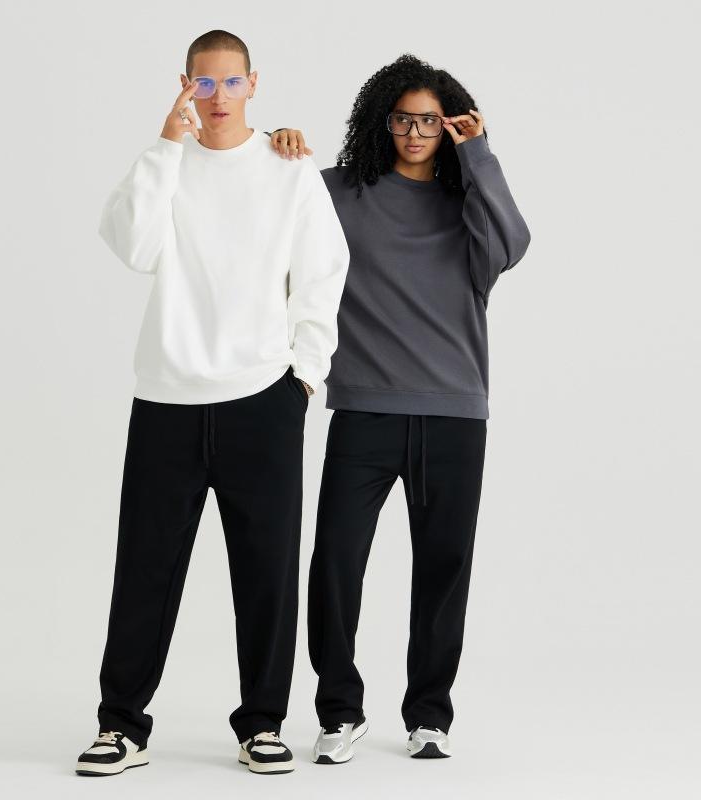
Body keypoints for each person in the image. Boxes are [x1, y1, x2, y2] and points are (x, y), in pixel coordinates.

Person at [75, 29, 349, 777]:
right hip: (166, 395)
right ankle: (120, 726)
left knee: (267, 572)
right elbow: (134, 248)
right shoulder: (166, 163)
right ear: (185, 84)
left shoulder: (288, 168)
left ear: (254, 84)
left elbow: (323, 272)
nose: (218, 96)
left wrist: (303, 377)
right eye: (204, 82)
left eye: (231, 82)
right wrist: (166, 145)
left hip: (262, 398)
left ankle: (263, 724)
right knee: (145, 567)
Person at [268, 53, 531, 763]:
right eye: (402, 120)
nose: (414, 134)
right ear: (380, 122)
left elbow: (513, 245)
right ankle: (339, 710)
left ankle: (429, 715)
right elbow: (270, 205)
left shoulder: (469, 207)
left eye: (429, 122)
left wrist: (480, 155)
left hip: (455, 413)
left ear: (449, 127)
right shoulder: (341, 193)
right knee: (335, 563)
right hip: (364, 411)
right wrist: (276, 145)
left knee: (444, 569)